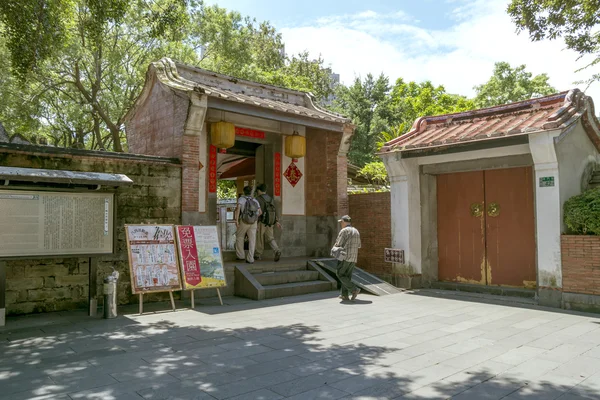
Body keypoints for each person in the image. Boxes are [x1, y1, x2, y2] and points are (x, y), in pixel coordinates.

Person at [331, 215, 361, 301]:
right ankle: (344, 295)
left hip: (344, 256)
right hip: (354, 257)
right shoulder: (356, 231)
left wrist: (334, 248)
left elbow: (339, 243)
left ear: (344, 222)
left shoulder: (344, 231)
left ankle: (354, 289)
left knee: (339, 273)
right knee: (347, 276)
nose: (341, 224)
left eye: (341, 222)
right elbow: (359, 245)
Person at [254, 183, 282, 262]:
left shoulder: (258, 199)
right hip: (270, 222)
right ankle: (276, 250)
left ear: (259, 190)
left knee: (259, 238)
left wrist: (255, 222)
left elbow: (258, 212)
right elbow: (275, 210)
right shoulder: (270, 199)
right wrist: (276, 221)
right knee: (270, 238)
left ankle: (258, 254)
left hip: (261, 222)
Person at [234, 186, 262, 263]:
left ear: (244, 192)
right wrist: (254, 217)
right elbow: (260, 212)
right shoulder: (255, 200)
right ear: (251, 193)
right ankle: (250, 258)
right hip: (254, 222)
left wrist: (236, 221)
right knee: (252, 240)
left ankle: (241, 256)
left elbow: (238, 210)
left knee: (240, 237)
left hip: (244, 221)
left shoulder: (241, 199)